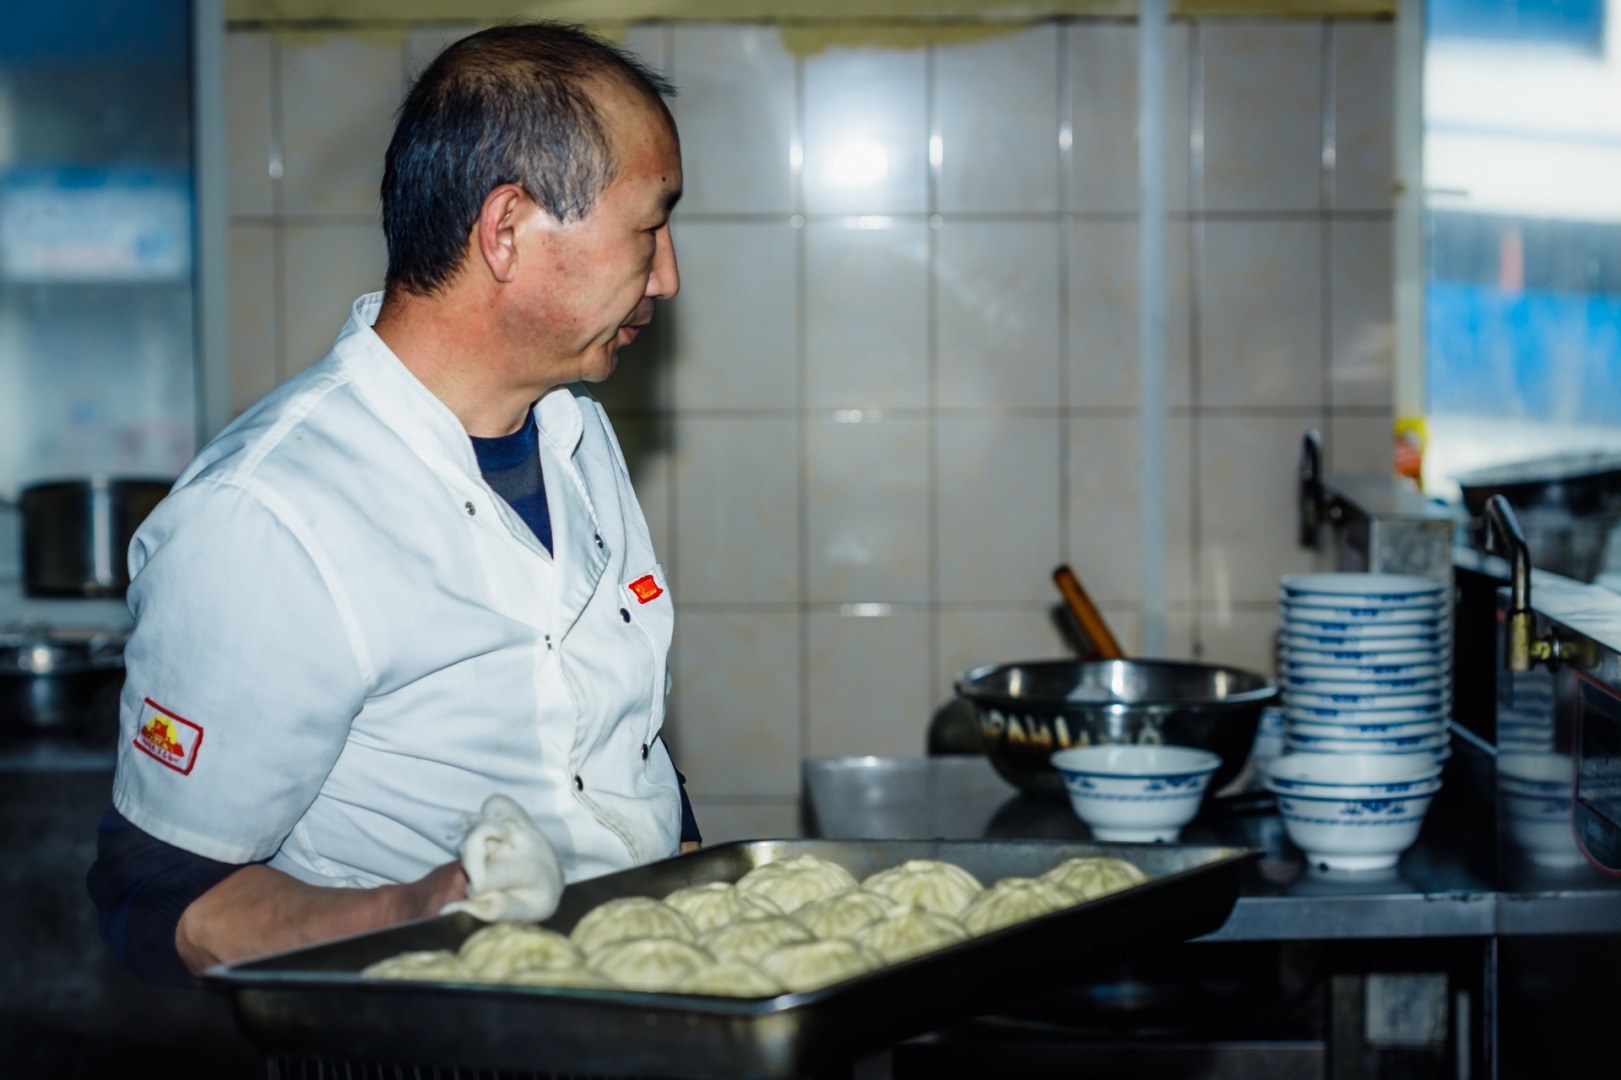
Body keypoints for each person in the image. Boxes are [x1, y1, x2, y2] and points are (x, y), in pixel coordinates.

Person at [87, 22, 699, 987]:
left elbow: (618, 756)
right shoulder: (265, 516)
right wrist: (423, 914)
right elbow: (157, 897)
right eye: (649, 225)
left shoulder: (575, 435)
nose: (665, 274)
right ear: (506, 231)